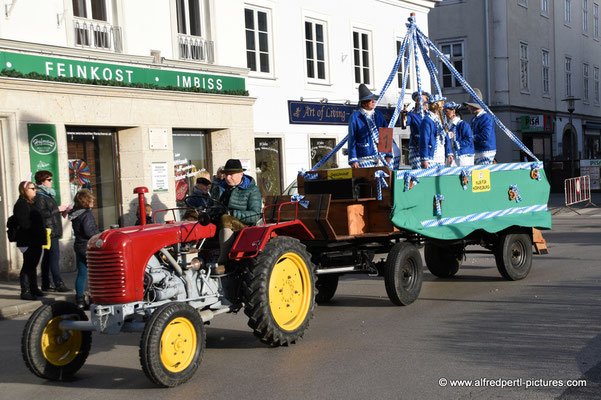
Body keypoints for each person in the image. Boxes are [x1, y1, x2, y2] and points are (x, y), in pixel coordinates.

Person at [210, 159, 262, 272]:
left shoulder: (252, 190)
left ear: (241, 174)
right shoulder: (219, 188)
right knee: (193, 216)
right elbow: (211, 205)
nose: (228, 178)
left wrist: (232, 214)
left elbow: (256, 215)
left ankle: (224, 262)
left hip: (245, 228)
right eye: (226, 174)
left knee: (226, 219)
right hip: (220, 222)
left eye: (231, 174)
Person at [34, 170, 70, 292]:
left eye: (51, 179)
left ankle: (46, 283)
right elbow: (41, 213)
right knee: (54, 256)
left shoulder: (47, 194)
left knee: (48, 257)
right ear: (41, 181)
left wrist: (61, 211)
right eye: (49, 179)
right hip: (49, 230)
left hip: (53, 228)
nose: (51, 182)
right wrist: (57, 209)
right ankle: (58, 283)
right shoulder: (40, 195)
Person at [13, 181, 46, 300]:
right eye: (32, 188)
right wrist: (36, 230)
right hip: (28, 240)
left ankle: (33, 288)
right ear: (24, 190)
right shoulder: (21, 204)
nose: (35, 190)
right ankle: (25, 291)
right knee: (28, 266)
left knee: (33, 265)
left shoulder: (32, 203)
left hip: (35, 240)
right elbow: (25, 224)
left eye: (34, 188)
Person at [68, 189, 99, 309]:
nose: (93, 201)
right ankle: (94, 298)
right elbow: (89, 231)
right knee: (96, 274)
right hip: (88, 246)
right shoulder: (86, 214)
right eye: (90, 199)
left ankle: (79, 300)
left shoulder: (76, 213)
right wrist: (100, 234)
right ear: (86, 201)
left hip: (79, 245)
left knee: (82, 274)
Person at [347, 84, 392, 168]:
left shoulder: (378, 115)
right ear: (363, 104)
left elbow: (386, 134)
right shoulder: (355, 116)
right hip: (364, 156)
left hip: (381, 157)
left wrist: (388, 155)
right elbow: (351, 138)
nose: (373, 102)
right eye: (370, 100)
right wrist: (353, 159)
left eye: (373, 100)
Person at [463, 88, 496, 165]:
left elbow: (485, 135)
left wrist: (471, 138)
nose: (468, 108)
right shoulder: (475, 119)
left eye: (469, 106)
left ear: (473, 106)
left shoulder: (486, 118)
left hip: (485, 151)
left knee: (482, 174)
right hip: (478, 150)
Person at [419, 94, 453, 168]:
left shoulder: (441, 120)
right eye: (442, 105)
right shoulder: (427, 120)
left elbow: (446, 136)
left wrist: (449, 152)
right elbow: (424, 140)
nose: (443, 107)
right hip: (431, 158)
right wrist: (424, 158)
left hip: (441, 157)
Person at [402, 91, 430, 168]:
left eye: (424, 101)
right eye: (418, 101)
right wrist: (403, 115)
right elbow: (405, 123)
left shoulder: (431, 115)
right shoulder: (412, 114)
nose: (421, 103)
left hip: (429, 148)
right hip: (416, 148)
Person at [444, 101, 475, 166]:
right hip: (453, 156)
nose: (445, 114)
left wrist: (455, 144)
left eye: (447, 111)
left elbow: (468, 140)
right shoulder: (448, 126)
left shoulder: (463, 124)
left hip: (464, 157)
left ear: (454, 111)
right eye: (445, 112)